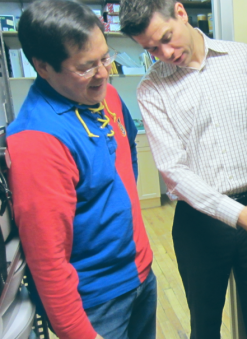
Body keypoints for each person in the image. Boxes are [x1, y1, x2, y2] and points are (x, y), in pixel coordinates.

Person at [119, 1, 247, 338]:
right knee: (205, 326)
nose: (165, 53)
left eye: (167, 38)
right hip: (199, 222)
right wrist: (236, 214)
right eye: (151, 49)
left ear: (181, 13)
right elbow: (174, 171)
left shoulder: (242, 56)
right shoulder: (151, 89)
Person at [6, 1, 156, 338]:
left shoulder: (109, 97)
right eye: (86, 66)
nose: (103, 73)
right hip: (95, 303)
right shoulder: (36, 140)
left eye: (105, 57)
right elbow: (47, 262)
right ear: (43, 67)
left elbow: (127, 154)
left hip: (140, 274)